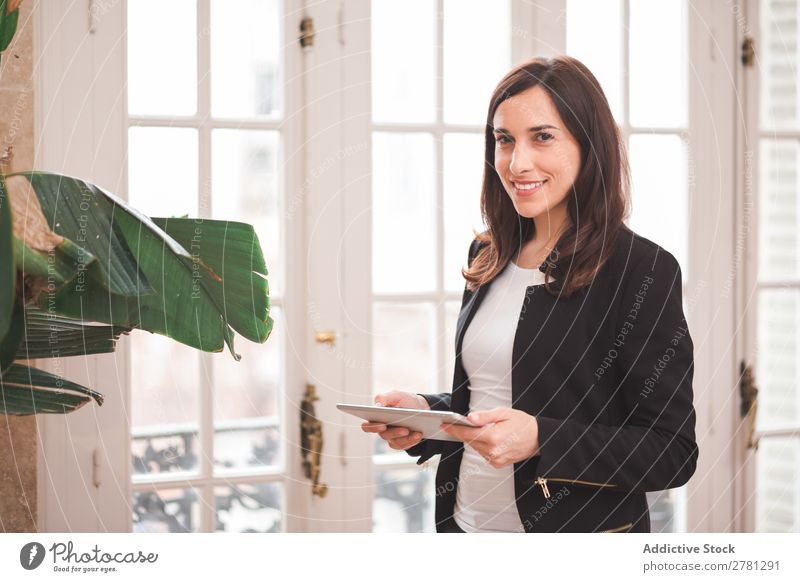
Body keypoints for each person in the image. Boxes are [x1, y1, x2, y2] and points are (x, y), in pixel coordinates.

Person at [361, 55, 698, 533]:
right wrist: (428, 414)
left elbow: (671, 451)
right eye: (504, 140)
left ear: (588, 144)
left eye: (542, 137)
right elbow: (494, 398)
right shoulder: (488, 253)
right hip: (465, 527)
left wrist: (541, 438)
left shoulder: (642, 270)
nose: (517, 163)